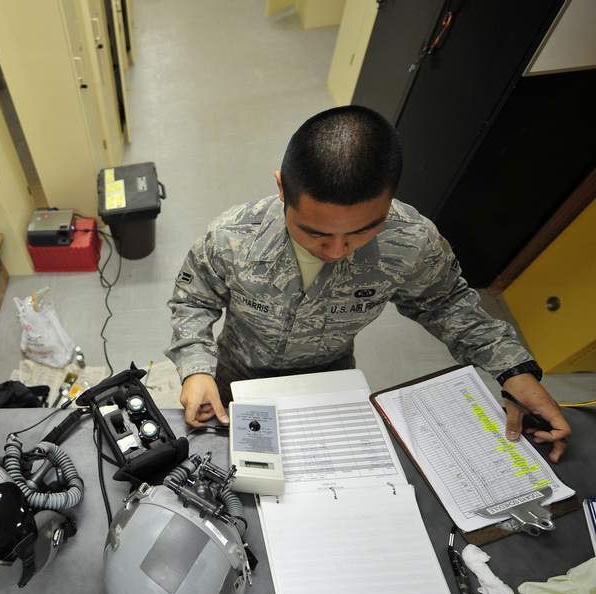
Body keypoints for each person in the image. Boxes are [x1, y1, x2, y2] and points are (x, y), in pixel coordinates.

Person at [166, 105, 570, 462]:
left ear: (389, 200)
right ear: (282, 189)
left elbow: (445, 303)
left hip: (330, 379)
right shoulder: (232, 236)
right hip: (237, 376)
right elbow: (192, 301)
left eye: (361, 232)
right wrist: (195, 370)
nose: (337, 250)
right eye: (315, 234)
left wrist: (512, 369)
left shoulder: (411, 241)